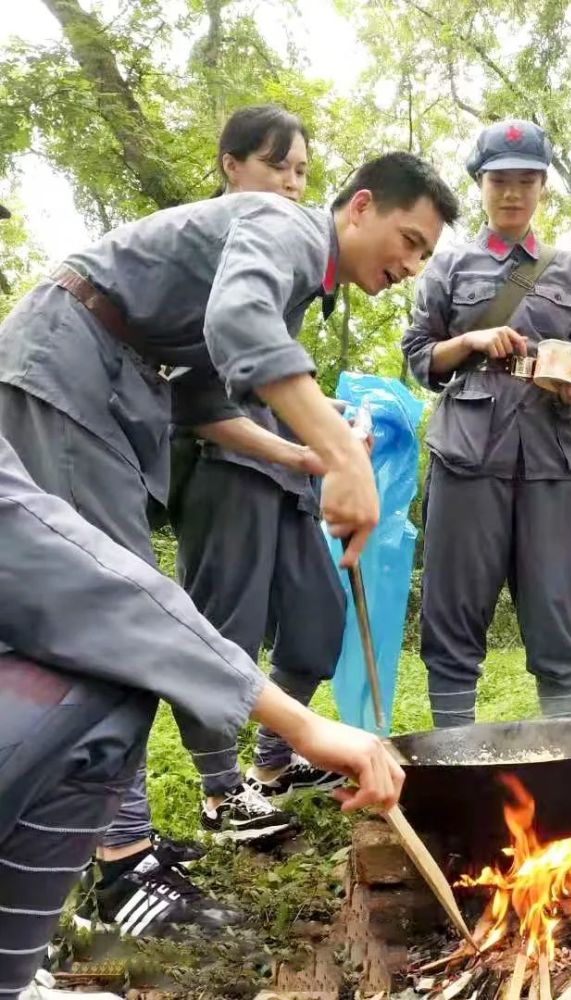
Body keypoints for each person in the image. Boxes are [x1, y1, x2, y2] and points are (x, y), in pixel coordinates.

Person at [0, 151, 459, 928]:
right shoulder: (282, 224)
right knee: (112, 615)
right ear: (359, 208)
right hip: (68, 365)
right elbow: (236, 324)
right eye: (409, 240)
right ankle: (121, 865)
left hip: (114, 385)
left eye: (424, 256)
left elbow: (203, 402)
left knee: (117, 611)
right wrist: (347, 457)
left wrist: (303, 453)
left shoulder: (292, 287)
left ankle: (118, 841)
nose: (411, 265)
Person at [0, 431, 404, 998]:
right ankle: (124, 866)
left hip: (278, 475)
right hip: (230, 465)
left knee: (120, 661)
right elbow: (86, 589)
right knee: (107, 679)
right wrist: (303, 725)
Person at [169, 106, 351, 847]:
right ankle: (220, 793)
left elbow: (269, 376)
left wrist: (322, 416)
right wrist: (307, 447)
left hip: (286, 471)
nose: (292, 182)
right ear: (231, 166)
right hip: (223, 464)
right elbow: (199, 393)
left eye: (303, 171)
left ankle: (274, 763)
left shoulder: (287, 256)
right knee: (227, 630)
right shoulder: (209, 251)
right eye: (278, 165)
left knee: (316, 623)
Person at [401, 120, 571, 729]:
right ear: (480, 186)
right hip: (466, 456)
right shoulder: (449, 265)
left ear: (542, 187)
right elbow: (417, 354)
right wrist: (471, 338)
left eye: (524, 181)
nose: (511, 193)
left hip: (548, 459)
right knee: (454, 618)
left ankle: (568, 768)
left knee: (556, 618)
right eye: (498, 181)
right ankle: (456, 758)